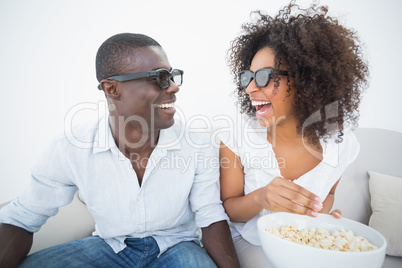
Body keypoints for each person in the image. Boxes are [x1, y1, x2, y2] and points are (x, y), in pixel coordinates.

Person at [0, 33, 240, 268]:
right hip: (110, 247)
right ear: (112, 89)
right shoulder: (71, 147)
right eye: (160, 77)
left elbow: (210, 217)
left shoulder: (197, 142)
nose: (174, 87)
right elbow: (21, 219)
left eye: (172, 76)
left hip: (177, 247)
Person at [219, 2, 369, 267]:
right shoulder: (237, 136)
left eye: (264, 76)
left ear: (306, 80)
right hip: (252, 242)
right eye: (247, 77)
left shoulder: (341, 145)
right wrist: (260, 198)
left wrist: (319, 217)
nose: (250, 88)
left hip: (303, 243)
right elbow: (229, 208)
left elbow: (329, 194)